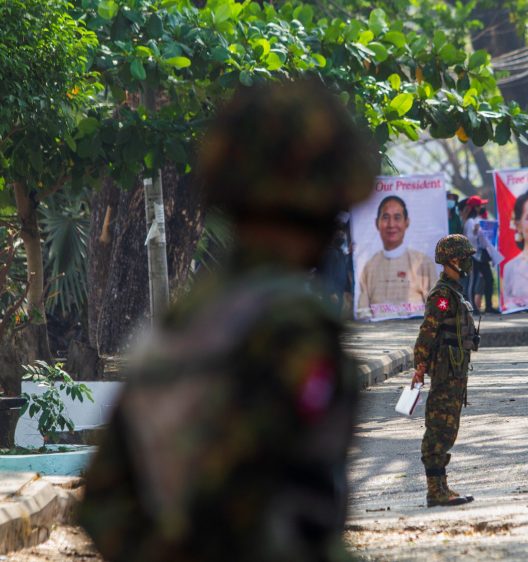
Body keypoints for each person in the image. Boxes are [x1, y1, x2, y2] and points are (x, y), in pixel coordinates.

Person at [79, 79, 378, 561]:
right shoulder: (292, 325)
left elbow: (103, 501)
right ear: (325, 200)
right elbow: (278, 515)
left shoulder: (189, 315)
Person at [411, 234, 478, 507]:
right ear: (453, 260)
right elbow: (427, 332)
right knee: (439, 429)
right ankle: (434, 490)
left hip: (456, 370)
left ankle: (442, 487)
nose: (469, 263)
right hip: (444, 371)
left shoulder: (455, 291)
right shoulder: (442, 295)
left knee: (449, 428)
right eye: (465, 258)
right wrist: (420, 364)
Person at [357, 195, 437, 320]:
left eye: (397, 217)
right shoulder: (369, 267)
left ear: (407, 222)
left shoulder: (422, 262)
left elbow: (436, 306)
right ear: (376, 223)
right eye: (385, 217)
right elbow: (363, 311)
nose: (391, 224)